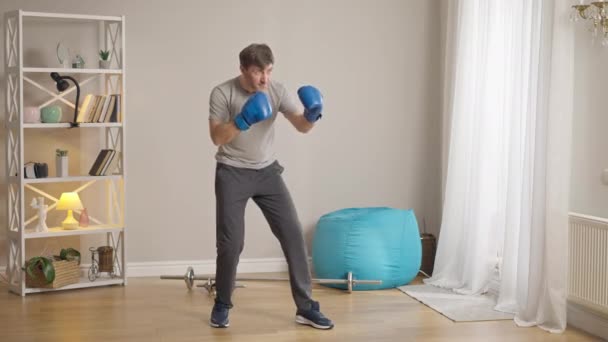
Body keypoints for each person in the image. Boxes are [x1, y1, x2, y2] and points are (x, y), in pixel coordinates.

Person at [207, 43, 334, 330]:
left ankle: (305, 307)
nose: (264, 79)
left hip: (267, 172)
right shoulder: (222, 93)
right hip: (232, 172)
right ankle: (222, 303)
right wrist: (242, 120)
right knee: (231, 244)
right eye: (257, 72)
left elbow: (301, 126)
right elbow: (216, 137)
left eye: (268, 71)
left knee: (293, 236)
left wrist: (313, 113)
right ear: (242, 69)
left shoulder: (276, 90)